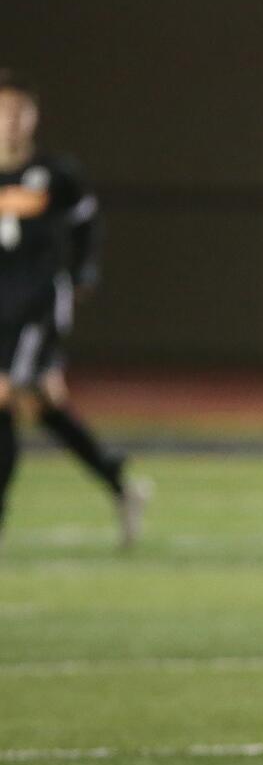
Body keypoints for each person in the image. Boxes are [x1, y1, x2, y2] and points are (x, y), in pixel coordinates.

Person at [0, 71, 147, 547]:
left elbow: (87, 223)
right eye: (3, 112)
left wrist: (85, 271)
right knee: (41, 405)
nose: (11, 122)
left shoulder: (55, 173)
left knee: (2, 395)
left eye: (20, 111)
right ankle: (118, 479)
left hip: (36, 305)